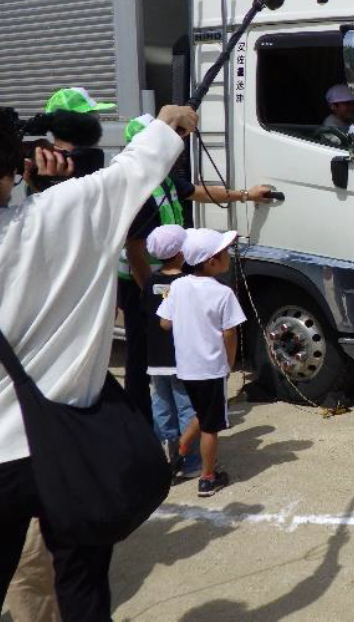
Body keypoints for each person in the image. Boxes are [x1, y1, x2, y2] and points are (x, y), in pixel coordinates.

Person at [0, 102, 198, 621]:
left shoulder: (45, 211)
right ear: (12, 165)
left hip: (2, 457)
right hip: (69, 444)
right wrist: (169, 119)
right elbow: (135, 168)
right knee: (83, 590)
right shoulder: (60, 213)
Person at [117, 114, 272, 424]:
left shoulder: (165, 178)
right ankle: (142, 419)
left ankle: (175, 417)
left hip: (166, 276)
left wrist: (243, 195)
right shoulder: (138, 189)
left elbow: (198, 192)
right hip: (142, 282)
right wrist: (158, 293)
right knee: (143, 352)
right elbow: (136, 254)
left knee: (168, 352)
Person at [158, 228, 247, 497]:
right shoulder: (223, 293)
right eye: (225, 252)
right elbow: (229, 332)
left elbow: (164, 323)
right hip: (211, 368)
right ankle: (208, 477)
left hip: (186, 367)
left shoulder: (178, 286)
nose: (228, 255)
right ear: (212, 262)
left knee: (202, 411)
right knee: (211, 426)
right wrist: (229, 361)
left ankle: (180, 450)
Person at [143, 224, 202, 479]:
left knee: (162, 408)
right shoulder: (186, 283)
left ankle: (167, 457)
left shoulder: (149, 281)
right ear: (181, 253)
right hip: (182, 359)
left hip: (155, 359)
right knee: (187, 407)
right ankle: (191, 462)